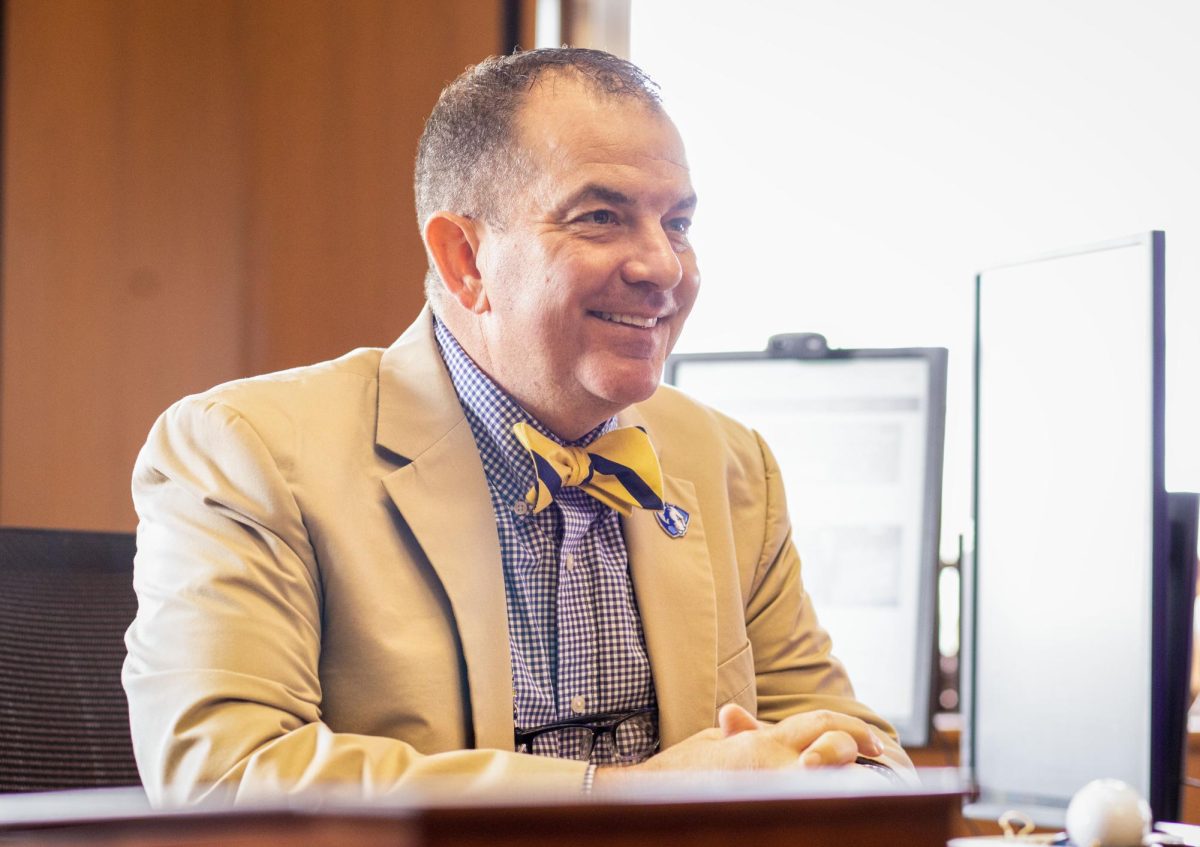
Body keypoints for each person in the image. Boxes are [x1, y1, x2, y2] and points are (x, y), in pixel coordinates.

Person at [123, 48, 913, 806]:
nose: (663, 267)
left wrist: (841, 771)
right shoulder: (242, 450)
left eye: (677, 223)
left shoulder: (730, 462)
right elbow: (225, 780)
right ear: (465, 259)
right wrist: (637, 799)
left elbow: (864, 750)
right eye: (601, 217)